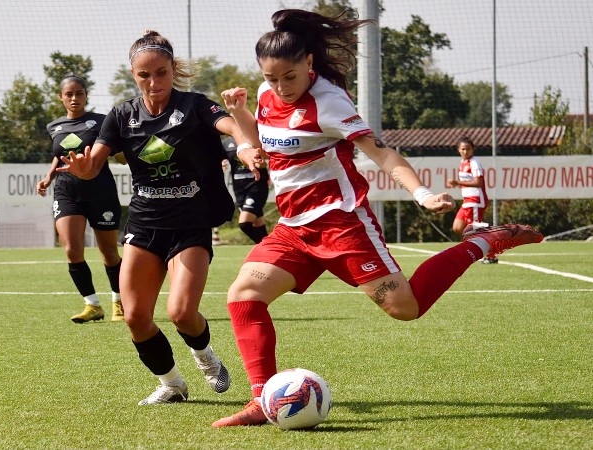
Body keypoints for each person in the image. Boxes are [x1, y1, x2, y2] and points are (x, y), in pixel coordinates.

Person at [212, 8, 544, 427]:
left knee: (406, 308)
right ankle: (262, 401)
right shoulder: (266, 93)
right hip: (294, 227)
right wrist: (241, 115)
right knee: (244, 295)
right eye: (272, 78)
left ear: (309, 62)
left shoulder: (330, 102)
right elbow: (266, 140)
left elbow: (382, 153)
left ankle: (484, 241)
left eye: (289, 77)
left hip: (341, 223)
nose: (281, 87)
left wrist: (421, 194)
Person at [58, 31, 259, 405]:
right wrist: (84, 169)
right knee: (135, 317)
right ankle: (171, 384)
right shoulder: (122, 115)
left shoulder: (194, 105)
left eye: (161, 73)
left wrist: (244, 145)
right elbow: (94, 161)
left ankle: (206, 356)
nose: (154, 82)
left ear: (173, 69)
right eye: (144, 75)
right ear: (133, 75)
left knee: (181, 313)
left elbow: (231, 127)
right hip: (144, 225)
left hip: (190, 226)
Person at [37, 74, 124, 323]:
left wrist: (128, 154)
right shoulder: (54, 126)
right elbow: (60, 154)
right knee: (71, 250)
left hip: (100, 192)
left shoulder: (102, 121)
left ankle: (120, 302)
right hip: (67, 192)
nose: (74, 98)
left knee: (109, 253)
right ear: (61, 97)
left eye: (79, 93)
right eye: (69, 94)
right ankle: (92, 305)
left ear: (86, 95)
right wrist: (48, 177)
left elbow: (117, 153)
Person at [448, 136, 496, 264]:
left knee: (475, 230)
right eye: (463, 149)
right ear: (458, 150)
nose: (465, 151)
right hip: (467, 200)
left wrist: (457, 182)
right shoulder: (463, 162)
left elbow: (478, 182)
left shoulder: (474, 162)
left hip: (475, 200)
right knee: (458, 227)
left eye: (468, 149)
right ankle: (477, 245)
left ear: (473, 149)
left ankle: (491, 255)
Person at [222, 136, 270, 244]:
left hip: (256, 185)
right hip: (239, 189)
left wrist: (260, 162)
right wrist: (221, 164)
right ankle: (271, 250)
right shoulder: (226, 143)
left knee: (245, 224)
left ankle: (270, 248)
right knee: (259, 227)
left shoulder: (252, 137)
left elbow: (264, 161)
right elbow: (219, 159)